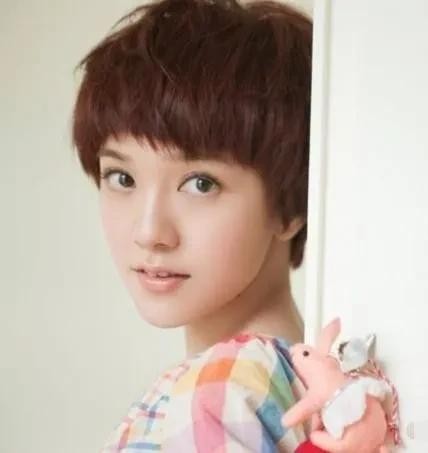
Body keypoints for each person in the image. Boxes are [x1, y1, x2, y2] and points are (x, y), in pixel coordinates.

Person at [71, 0, 312, 451]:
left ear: (291, 205)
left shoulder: (219, 391)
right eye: (122, 178)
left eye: (201, 184)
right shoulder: (317, 387)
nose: (149, 232)